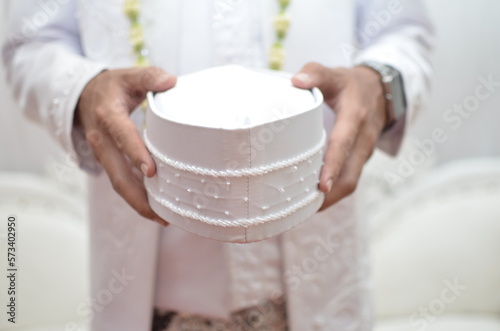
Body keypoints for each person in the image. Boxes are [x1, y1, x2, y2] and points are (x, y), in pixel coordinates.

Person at [2, 0, 433, 330]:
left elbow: (403, 29)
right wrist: (83, 90)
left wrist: (381, 83)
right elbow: (31, 43)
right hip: (144, 301)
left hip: (321, 287)